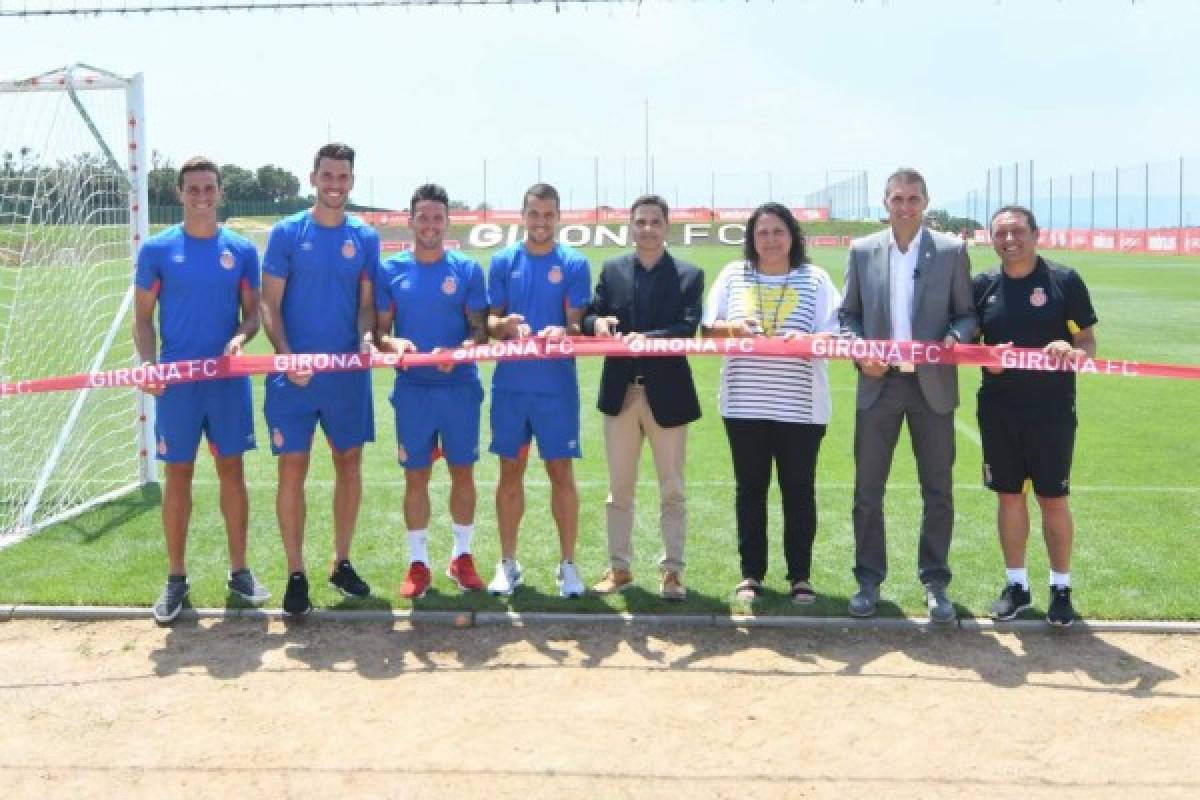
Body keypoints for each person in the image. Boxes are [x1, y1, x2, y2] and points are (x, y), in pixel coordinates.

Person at [132, 156, 267, 624]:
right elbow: (143, 321)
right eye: (194, 189)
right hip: (178, 383)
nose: (203, 196)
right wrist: (148, 366)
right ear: (179, 193)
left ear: (221, 192)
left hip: (227, 381)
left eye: (210, 188)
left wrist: (241, 336)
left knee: (233, 473)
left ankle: (239, 571)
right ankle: (175, 579)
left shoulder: (242, 250)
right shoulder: (157, 250)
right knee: (178, 476)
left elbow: (253, 315)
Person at [839, 168, 976, 622]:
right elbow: (848, 316)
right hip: (879, 385)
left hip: (931, 387)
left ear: (926, 202)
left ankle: (935, 581)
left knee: (938, 491)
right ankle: (868, 580)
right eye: (897, 198)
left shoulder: (952, 251)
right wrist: (860, 353)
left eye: (913, 199)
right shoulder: (862, 251)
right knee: (867, 491)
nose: (905, 206)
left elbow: (966, 313)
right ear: (885, 202)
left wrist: (957, 337)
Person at [701, 203, 842, 604]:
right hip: (744, 405)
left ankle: (800, 576)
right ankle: (751, 575)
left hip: (801, 407)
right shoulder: (733, 274)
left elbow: (835, 335)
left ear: (793, 236)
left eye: (778, 232)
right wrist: (734, 328)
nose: (770, 240)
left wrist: (809, 343)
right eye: (762, 233)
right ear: (751, 239)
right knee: (750, 490)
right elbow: (708, 330)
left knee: (799, 490)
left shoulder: (815, 280)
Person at [261, 143, 379, 616]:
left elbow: (366, 304)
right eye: (327, 175)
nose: (334, 184)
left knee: (349, 464)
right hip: (295, 377)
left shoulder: (364, 237)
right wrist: (287, 358)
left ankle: (341, 561)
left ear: (351, 181)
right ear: (313, 178)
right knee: (293, 468)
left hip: (346, 377)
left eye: (343, 176)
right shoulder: (288, 232)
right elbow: (269, 304)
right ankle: (296, 573)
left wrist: (367, 338)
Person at [975, 206, 1097, 627]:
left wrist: (1072, 351)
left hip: (1051, 410)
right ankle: (1017, 586)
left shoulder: (1065, 280)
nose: (1010, 240)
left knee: (1053, 497)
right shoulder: (982, 285)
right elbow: (969, 343)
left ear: (1035, 234)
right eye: (1001, 234)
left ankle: (1061, 588)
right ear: (992, 239)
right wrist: (987, 358)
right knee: (1009, 495)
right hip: (999, 409)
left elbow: (1087, 341)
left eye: (1018, 231)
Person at [583, 195, 703, 601]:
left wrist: (645, 340)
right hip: (621, 394)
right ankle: (619, 569)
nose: (647, 229)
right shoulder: (613, 270)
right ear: (630, 227)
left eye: (655, 222)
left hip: (668, 395)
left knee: (672, 489)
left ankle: (672, 573)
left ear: (667, 226)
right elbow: (588, 317)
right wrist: (596, 322)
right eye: (640, 222)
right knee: (620, 490)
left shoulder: (689, 274)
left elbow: (687, 327)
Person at [375, 184, 489, 599]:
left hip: (459, 387)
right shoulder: (391, 271)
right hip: (413, 390)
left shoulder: (466, 270)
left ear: (447, 221)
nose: (429, 225)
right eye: (422, 217)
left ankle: (462, 556)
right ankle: (418, 563)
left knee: (463, 471)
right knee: (416, 476)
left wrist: (458, 354)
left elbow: (479, 332)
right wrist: (393, 344)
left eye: (437, 217)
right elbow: (379, 332)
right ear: (410, 221)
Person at [485, 183, 591, 597]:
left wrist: (561, 330)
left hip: (556, 386)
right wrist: (505, 325)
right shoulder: (502, 260)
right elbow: (489, 325)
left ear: (558, 217)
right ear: (523, 214)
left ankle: (568, 565)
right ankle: (508, 563)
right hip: (511, 386)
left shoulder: (574, 263)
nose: (541, 222)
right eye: (534, 213)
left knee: (561, 472)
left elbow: (577, 324)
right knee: (509, 473)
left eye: (549, 215)